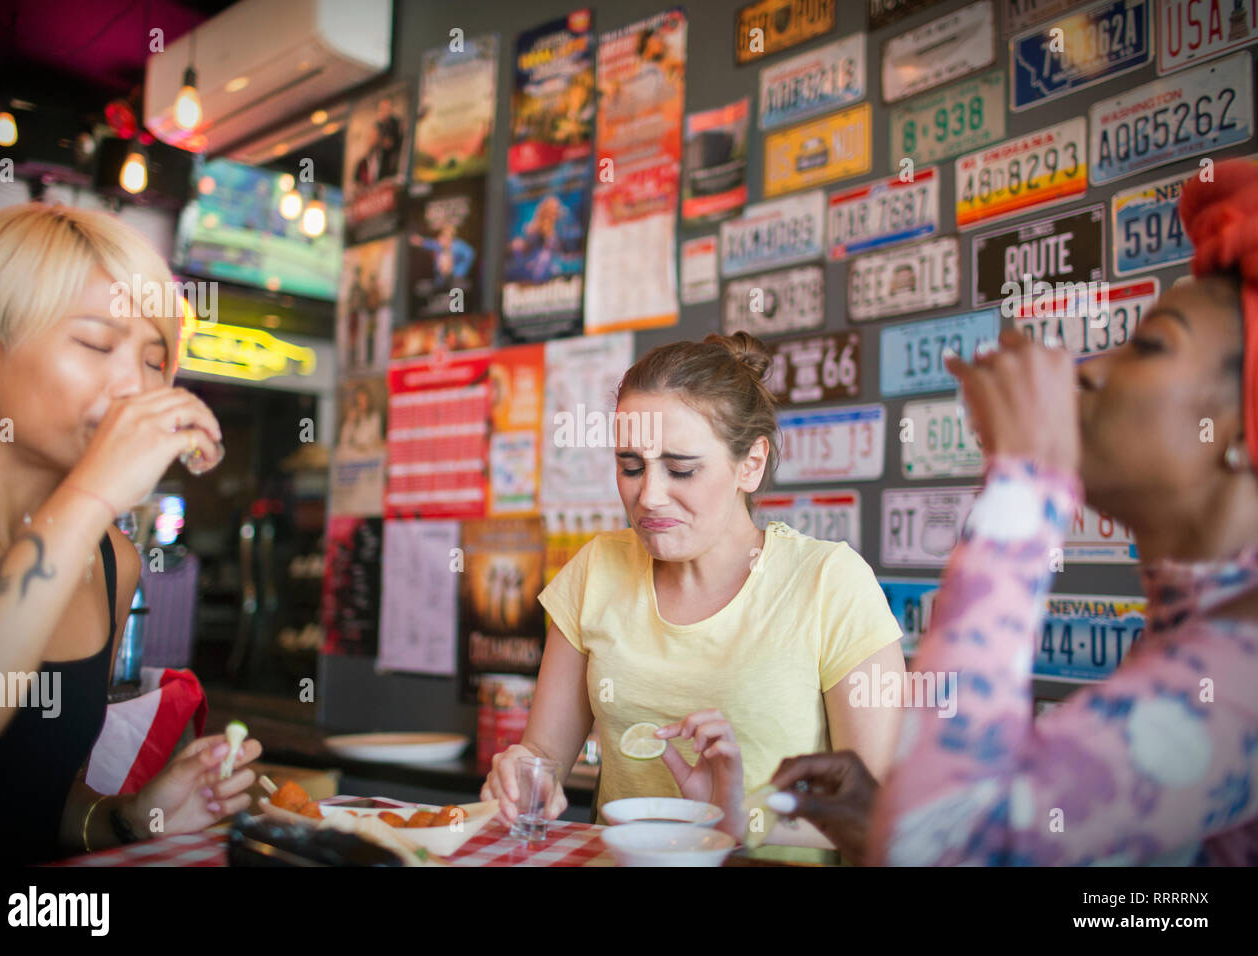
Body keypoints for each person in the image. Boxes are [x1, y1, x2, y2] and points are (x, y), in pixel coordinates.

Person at [767, 159, 1258, 866]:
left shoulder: (1241, 668)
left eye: (1149, 346)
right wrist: (884, 818)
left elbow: (941, 850)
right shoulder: (1207, 624)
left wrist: (1026, 484)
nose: (1089, 368)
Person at [482, 332, 905, 839]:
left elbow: (879, 825)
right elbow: (543, 759)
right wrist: (521, 777)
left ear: (750, 464)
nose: (650, 497)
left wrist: (733, 834)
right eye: (631, 467)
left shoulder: (830, 583)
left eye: (681, 469)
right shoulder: (596, 570)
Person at [0, 203, 260, 863]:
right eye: (96, 344)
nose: (134, 386)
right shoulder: (88, 524)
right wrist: (91, 495)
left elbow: (24, 797)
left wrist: (132, 818)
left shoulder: (111, 560)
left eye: (155, 362)